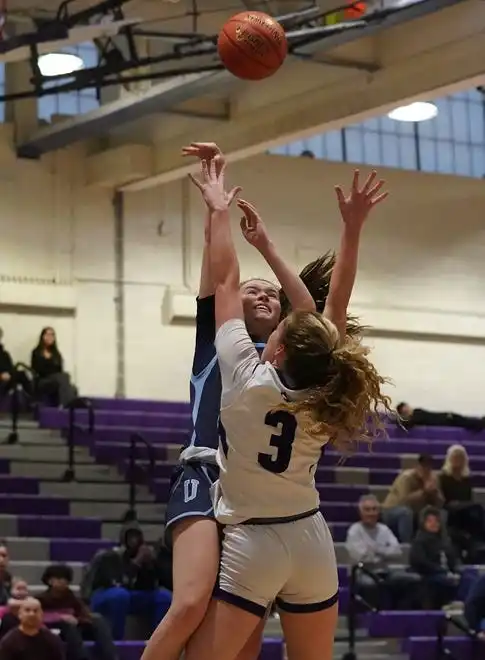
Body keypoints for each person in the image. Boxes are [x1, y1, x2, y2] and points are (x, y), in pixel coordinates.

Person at [141, 146, 380, 660]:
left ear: (283, 336)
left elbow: (239, 281)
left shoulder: (244, 368)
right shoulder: (313, 377)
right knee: (188, 605)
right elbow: (318, 309)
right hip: (217, 481)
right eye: (253, 290)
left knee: (240, 647)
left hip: (249, 515)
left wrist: (220, 207)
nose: (262, 295)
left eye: (272, 295)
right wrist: (228, 222)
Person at [82, 521, 171, 640]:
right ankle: (115, 641)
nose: (134, 541)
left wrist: (149, 565)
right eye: (130, 537)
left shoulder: (145, 556)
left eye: (137, 537)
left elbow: (150, 586)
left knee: (164, 596)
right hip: (102, 594)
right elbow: (118, 582)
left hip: (130, 596)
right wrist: (137, 562)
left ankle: (159, 641)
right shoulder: (109, 556)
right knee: (120, 595)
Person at [345, 494, 422, 609]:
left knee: (414, 579)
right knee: (370, 585)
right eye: (367, 510)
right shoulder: (354, 531)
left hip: (385, 571)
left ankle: (399, 615)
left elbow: (397, 551)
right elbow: (361, 557)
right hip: (363, 573)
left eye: (374, 509)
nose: (371, 513)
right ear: (360, 513)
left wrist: (374, 550)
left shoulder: (384, 529)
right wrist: (384, 552)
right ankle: (372, 619)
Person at [39, 563, 118, 660]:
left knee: (97, 619)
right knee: (67, 625)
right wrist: (60, 617)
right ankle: (82, 658)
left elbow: (84, 613)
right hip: (56, 631)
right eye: (58, 579)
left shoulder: (72, 598)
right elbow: (39, 616)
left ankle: (111, 656)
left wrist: (79, 619)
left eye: (65, 579)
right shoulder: (41, 599)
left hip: (76, 629)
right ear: (49, 581)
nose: (62, 582)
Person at [409, 506, 475, 609]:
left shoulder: (445, 541)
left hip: (447, 572)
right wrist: (442, 571)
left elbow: (453, 558)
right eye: (430, 521)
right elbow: (419, 561)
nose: (433, 524)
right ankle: (455, 602)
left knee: (470, 576)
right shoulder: (419, 541)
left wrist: (456, 569)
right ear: (423, 523)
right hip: (430, 574)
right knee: (445, 580)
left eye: (436, 521)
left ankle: (465, 604)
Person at [382, 454, 445, 542]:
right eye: (423, 467)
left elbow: (441, 503)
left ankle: (440, 544)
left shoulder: (433, 478)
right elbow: (403, 501)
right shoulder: (406, 477)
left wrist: (435, 492)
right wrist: (424, 491)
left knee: (441, 513)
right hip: (392, 510)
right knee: (406, 512)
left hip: (417, 512)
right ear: (417, 467)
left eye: (428, 467)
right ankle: (407, 546)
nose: (425, 470)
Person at [439, 444, 485, 557]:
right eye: (455, 457)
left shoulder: (466, 479)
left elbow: (468, 498)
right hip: (449, 507)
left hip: (464, 508)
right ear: (449, 459)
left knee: (476, 510)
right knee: (477, 508)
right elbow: (441, 499)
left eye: (460, 457)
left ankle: (479, 541)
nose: (457, 460)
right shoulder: (442, 477)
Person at [0, 597, 64, 660]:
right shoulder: (9, 642)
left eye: (35, 611)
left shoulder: (52, 640)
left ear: (41, 615)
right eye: (27, 610)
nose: (32, 614)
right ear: (20, 614)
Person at [30, 327, 77, 407]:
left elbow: (60, 368)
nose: (50, 337)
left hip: (56, 380)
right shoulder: (37, 352)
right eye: (47, 334)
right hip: (43, 381)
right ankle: (65, 406)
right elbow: (38, 370)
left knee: (71, 387)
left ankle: (66, 407)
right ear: (42, 337)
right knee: (64, 377)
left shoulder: (56, 354)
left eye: (52, 335)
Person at [397, 402, 485, 432]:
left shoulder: (417, 413)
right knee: (466, 421)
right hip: (446, 418)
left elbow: (409, 423)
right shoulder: (416, 414)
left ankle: (481, 423)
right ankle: (481, 423)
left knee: (467, 422)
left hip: (446, 419)